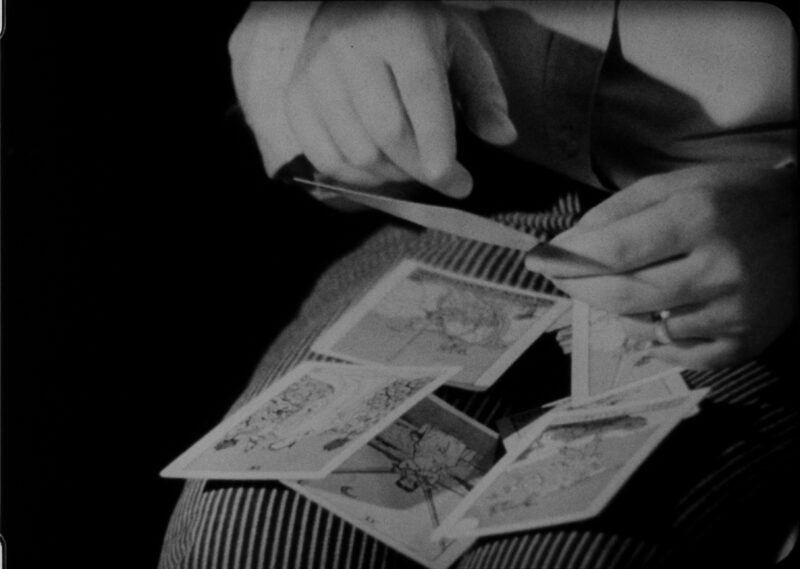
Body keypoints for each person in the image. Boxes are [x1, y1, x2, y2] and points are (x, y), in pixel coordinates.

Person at [159, 2, 798, 568]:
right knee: (242, 535)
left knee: (576, 552)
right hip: (476, 200)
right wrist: (325, 32)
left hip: (752, 243)